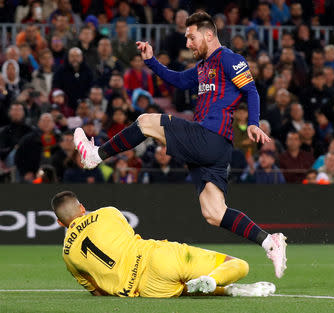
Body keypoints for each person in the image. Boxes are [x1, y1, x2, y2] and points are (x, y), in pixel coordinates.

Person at [73, 11, 287, 278]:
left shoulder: (230, 59)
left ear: (209, 35)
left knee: (147, 121)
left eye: (191, 37)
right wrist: (151, 61)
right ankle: (270, 242)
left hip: (210, 138)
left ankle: (95, 154)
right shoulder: (202, 67)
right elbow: (176, 78)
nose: (188, 44)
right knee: (214, 212)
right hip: (213, 150)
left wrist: (253, 122)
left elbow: (251, 90)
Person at [51, 191, 276, 298]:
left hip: (146, 290)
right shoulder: (107, 213)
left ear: (61, 222)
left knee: (186, 289)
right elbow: (127, 239)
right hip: (157, 259)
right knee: (237, 264)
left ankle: (227, 291)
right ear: (81, 207)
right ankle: (216, 280)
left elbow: (97, 293)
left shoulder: (67, 255)